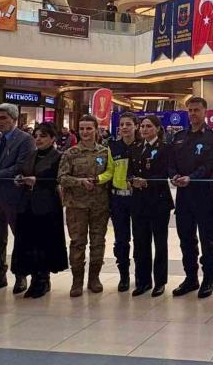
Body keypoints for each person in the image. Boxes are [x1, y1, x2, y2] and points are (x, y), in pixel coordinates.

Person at [169, 97, 213, 299]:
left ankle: (208, 279)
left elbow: (211, 164)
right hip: (184, 197)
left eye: (197, 110)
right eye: (190, 110)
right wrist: (174, 175)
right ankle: (190, 278)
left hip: (205, 196)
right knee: (186, 239)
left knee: (207, 240)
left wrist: (191, 178)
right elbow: (170, 162)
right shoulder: (179, 137)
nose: (193, 113)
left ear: (205, 111)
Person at [0, 103, 35, 296]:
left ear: (14, 119)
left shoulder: (26, 140)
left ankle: (21, 275)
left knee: (20, 238)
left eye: (3, 118)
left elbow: (20, 166)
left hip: (15, 197)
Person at [11, 123, 67, 298]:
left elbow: (58, 179)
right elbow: (22, 171)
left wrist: (37, 181)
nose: (38, 139)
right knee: (28, 241)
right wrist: (20, 179)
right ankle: (34, 277)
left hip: (47, 206)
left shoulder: (59, 157)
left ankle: (42, 279)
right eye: (36, 136)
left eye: (43, 136)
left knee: (44, 242)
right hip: (27, 204)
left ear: (52, 138)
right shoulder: (31, 155)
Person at [57, 114, 111, 297]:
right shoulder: (70, 153)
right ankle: (77, 281)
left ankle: (94, 278)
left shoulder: (105, 152)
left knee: (98, 242)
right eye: (82, 129)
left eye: (89, 128)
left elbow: (109, 174)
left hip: (99, 206)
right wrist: (80, 182)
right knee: (77, 243)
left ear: (96, 130)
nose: (85, 132)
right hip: (76, 206)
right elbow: (62, 178)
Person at [128, 116, 173, 297]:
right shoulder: (136, 147)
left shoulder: (165, 148)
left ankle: (160, 282)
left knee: (160, 243)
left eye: (149, 126)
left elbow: (166, 173)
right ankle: (143, 281)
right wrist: (132, 180)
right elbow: (129, 171)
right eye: (142, 126)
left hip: (158, 201)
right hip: (139, 202)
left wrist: (147, 181)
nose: (144, 129)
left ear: (157, 128)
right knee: (140, 242)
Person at [97, 112, 138, 292]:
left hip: (138, 199)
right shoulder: (112, 147)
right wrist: (97, 179)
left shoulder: (141, 146)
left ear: (136, 126)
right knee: (121, 239)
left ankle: (141, 274)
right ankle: (124, 275)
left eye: (128, 124)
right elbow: (109, 171)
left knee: (141, 239)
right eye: (122, 124)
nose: (124, 127)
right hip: (118, 199)